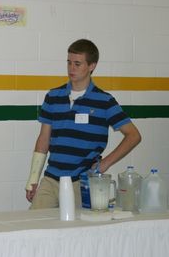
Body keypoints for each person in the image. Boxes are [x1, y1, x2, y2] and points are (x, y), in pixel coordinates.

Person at [25, 39, 141, 209]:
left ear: (92, 66)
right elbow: (43, 139)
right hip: (51, 179)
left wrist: (105, 163)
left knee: (78, 232)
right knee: (35, 227)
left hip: (81, 182)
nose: (71, 68)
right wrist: (33, 179)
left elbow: (134, 136)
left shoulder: (105, 101)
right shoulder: (53, 96)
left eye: (77, 64)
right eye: (69, 62)